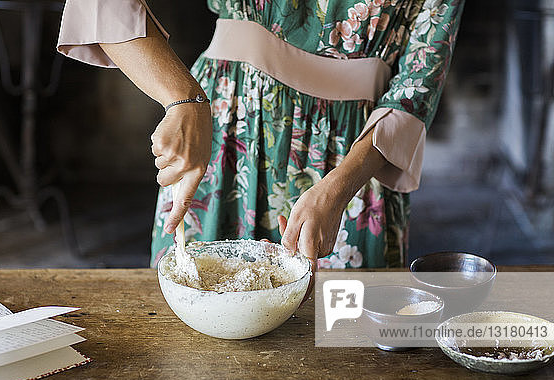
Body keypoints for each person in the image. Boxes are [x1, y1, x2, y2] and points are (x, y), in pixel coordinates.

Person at [57, 0, 465, 269]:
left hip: (354, 161)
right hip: (226, 129)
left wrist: (338, 189)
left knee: (349, 348)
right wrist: (182, 99)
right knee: (195, 350)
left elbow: (417, 85)